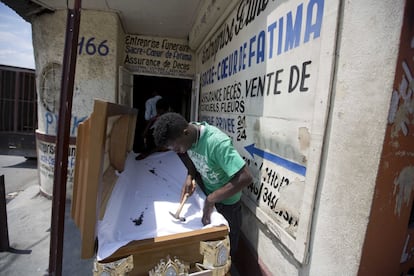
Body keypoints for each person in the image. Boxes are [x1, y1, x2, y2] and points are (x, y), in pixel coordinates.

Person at [152, 112, 253, 261]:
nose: (178, 152)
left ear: (185, 133)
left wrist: (212, 199)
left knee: (227, 249)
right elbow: (192, 157)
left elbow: (246, 177)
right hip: (209, 195)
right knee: (210, 246)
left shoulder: (216, 143)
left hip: (229, 205)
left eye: (176, 148)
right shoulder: (190, 137)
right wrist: (190, 176)